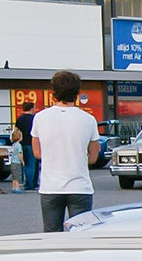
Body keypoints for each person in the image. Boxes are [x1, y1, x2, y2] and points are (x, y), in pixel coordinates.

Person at [33, 70, 100, 232]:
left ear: (53, 92)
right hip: (79, 186)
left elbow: (37, 153)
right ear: (77, 92)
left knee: (51, 234)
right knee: (80, 235)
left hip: (51, 187)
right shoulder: (88, 119)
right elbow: (93, 158)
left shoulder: (40, 118)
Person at [15, 100, 38, 190]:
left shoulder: (19, 119)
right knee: (32, 164)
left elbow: (16, 130)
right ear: (32, 108)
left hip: (22, 143)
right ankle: (31, 183)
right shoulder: (34, 119)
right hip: (32, 143)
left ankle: (27, 182)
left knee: (25, 164)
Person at [7, 128, 25, 193]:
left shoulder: (13, 144)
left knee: (14, 176)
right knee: (17, 175)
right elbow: (19, 154)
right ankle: (17, 187)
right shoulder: (19, 145)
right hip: (17, 162)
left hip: (12, 162)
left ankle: (13, 187)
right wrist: (22, 161)